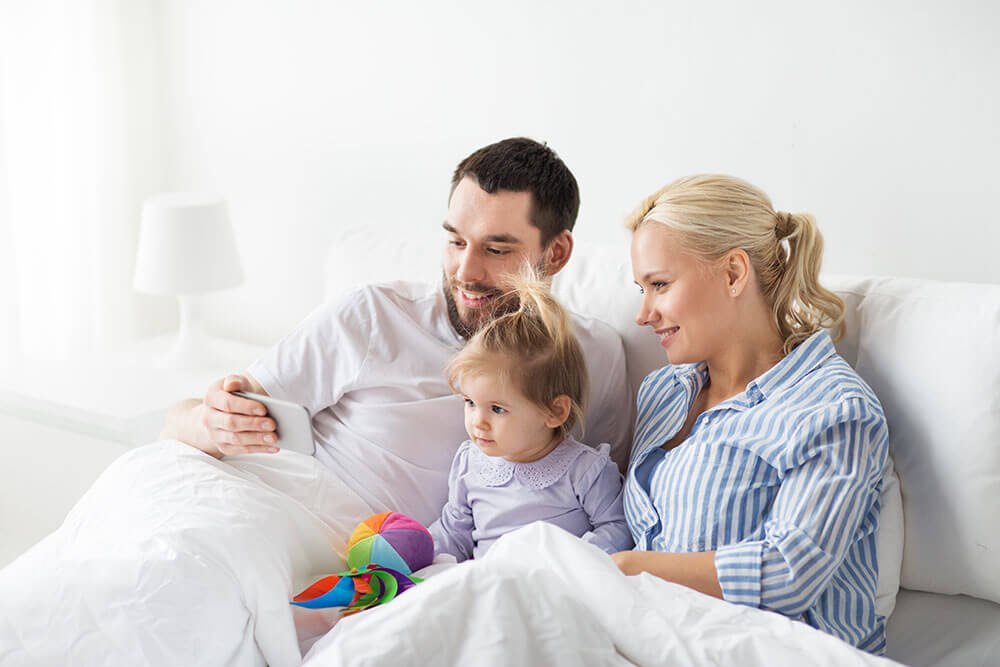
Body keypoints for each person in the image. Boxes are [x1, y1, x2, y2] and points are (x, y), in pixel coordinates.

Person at [161, 137, 632, 526]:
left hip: (426, 572)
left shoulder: (593, 357)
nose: (465, 271)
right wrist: (212, 421)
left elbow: (603, 494)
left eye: (496, 249)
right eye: (455, 241)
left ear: (556, 254)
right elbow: (180, 420)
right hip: (293, 518)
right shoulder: (372, 317)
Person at [614, 174, 889, 654]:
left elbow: (788, 571)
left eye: (659, 285)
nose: (644, 313)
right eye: (642, 288)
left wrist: (628, 569)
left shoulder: (835, 409)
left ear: (734, 273)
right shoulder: (663, 393)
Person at [428, 273, 632, 561]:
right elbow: (454, 532)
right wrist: (417, 555)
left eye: (497, 409)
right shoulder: (469, 463)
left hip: (554, 583)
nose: (478, 421)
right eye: (470, 402)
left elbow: (618, 528)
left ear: (554, 412)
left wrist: (575, 561)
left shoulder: (585, 471)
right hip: (489, 584)